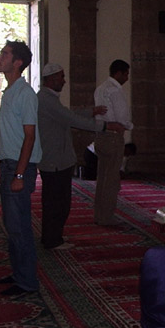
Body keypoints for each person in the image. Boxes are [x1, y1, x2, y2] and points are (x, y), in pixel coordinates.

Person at [37, 63, 124, 250]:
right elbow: (72, 119)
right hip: (55, 161)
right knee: (57, 204)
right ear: (51, 79)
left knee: (56, 202)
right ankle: (52, 240)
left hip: (56, 160)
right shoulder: (46, 99)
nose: (64, 80)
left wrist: (90, 112)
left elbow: (66, 116)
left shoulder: (48, 98)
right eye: (61, 77)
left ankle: (52, 238)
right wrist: (105, 126)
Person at [0, 40, 43, 297]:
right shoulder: (10, 91)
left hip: (20, 167)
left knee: (20, 227)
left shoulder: (25, 94)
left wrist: (20, 174)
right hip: (11, 164)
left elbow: (29, 137)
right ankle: (19, 273)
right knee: (12, 226)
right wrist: (2, 167)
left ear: (18, 62)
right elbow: (11, 138)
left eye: (5, 54)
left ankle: (27, 282)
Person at [93, 60, 133, 225]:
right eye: (126, 74)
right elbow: (122, 118)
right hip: (113, 137)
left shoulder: (100, 89)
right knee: (111, 180)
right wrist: (130, 125)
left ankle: (99, 214)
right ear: (119, 73)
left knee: (102, 177)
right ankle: (106, 217)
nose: (127, 77)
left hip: (101, 135)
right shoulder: (115, 91)